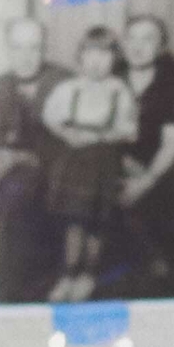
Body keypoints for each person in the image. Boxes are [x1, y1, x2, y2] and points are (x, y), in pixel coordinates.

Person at [38, 25, 139, 302]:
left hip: (103, 163)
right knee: (74, 222)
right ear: (80, 57)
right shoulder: (68, 88)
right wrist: (68, 133)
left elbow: (129, 129)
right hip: (73, 162)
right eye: (90, 53)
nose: (96, 62)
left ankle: (88, 274)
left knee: (97, 224)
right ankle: (68, 274)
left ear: (114, 58)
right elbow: (50, 116)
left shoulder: (118, 90)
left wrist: (100, 136)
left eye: (104, 55)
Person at [0, 13, 63, 302]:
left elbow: (68, 146)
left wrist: (19, 158)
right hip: (2, 163)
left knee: (14, 193)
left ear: (44, 49)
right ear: (7, 49)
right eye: (18, 48)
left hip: (47, 167)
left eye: (34, 47)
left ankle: (10, 284)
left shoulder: (64, 82)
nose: (26, 56)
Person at [113, 8, 174, 298]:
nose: (138, 46)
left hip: (166, 162)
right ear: (123, 43)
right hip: (120, 160)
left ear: (161, 46)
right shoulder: (112, 74)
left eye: (148, 39)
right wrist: (123, 161)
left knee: (170, 189)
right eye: (132, 38)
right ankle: (158, 260)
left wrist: (146, 179)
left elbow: (173, 141)